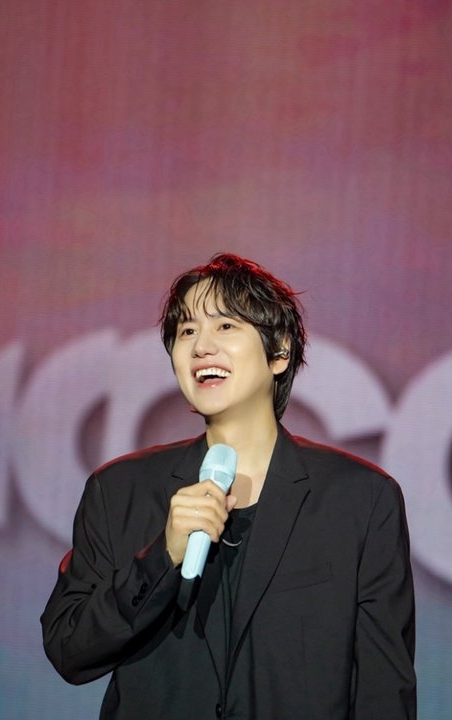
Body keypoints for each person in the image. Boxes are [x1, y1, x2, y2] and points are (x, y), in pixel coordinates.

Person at [41, 253, 416, 719]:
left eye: (225, 326)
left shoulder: (360, 499)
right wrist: (163, 556)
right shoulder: (119, 490)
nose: (201, 347)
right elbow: (69, 648)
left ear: (280, 352)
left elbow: (385, 688)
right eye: (187, 331)